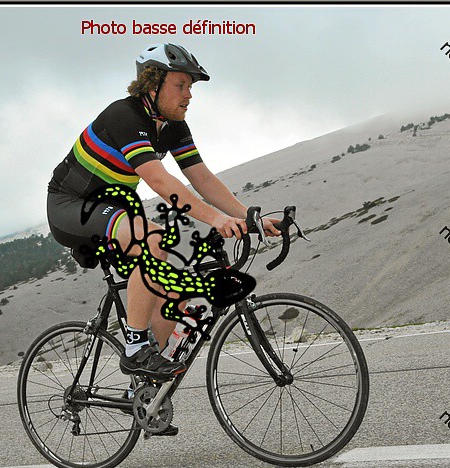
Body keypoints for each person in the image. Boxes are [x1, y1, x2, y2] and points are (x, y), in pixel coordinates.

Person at [47, 43, 280, 382]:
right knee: (153, 239)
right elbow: (157, 179)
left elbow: (201, 178)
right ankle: (135, 347)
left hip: (113, 209)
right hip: (70, 206)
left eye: (191, 87)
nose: (189, 95)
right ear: (152, 84)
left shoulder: (173, 125)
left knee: (175, 300)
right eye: (181, 85)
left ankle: (145, 392)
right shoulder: (124, 116)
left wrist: (248, 217)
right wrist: (216, 219)